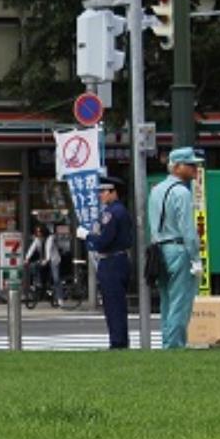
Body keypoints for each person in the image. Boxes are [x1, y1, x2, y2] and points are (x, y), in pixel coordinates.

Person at [148, 147, 205, 349]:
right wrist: (196, 258)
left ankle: (167, 342)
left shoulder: (155, 190)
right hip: (179, 249)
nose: (194, 169)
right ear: (177, 167)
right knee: (181, 302)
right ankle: (175, 345)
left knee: (166, 301)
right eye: (190, 165)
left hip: (159, 249)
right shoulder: (182, 192)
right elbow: (188, 230)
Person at [76, 175, 135, 349]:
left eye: (103, 191)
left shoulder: (112, 213)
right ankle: (119, 340)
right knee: (115, 304)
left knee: (113, 306)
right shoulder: (119, 211)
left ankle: (117, 342)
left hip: (111, 262)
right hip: (118, 260)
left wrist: (87, 236)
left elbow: (103, 241)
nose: (100, 195)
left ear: (113, 192)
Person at [24, 225, 54, 304]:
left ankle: (51, 289)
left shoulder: (50, 238)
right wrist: (27, 258)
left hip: (52, 259)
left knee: (54, 277)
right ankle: (37, 282)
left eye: (39, 232)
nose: (38, 233)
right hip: (43, 259)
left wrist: (47, 260)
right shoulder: (37, 239)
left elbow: (48, 249)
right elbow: (32, 248)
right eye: (37, 232)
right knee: (33, 266)